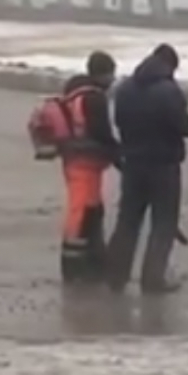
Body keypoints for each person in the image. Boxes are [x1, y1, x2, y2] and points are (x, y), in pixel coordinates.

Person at [107, 44, 188, 294]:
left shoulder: (124, 88)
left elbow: (119, 121)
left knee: (128, 221)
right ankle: (153, 279)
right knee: (163, 223)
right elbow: (186, 127)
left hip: (133, 163)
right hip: (164, 165)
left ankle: (116, 275)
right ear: (170, 66)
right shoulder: (169, 91)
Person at [59, 51, 120, 285]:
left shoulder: (73, 91)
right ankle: (75, 268)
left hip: (74, 159)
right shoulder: (94, 98)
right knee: (83, 212)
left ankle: (89, 261)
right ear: (103, 74)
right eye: (111, 74)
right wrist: (117, 152)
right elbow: (101, 132)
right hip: (86, 161)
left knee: (91, 209)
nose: (113, 80)